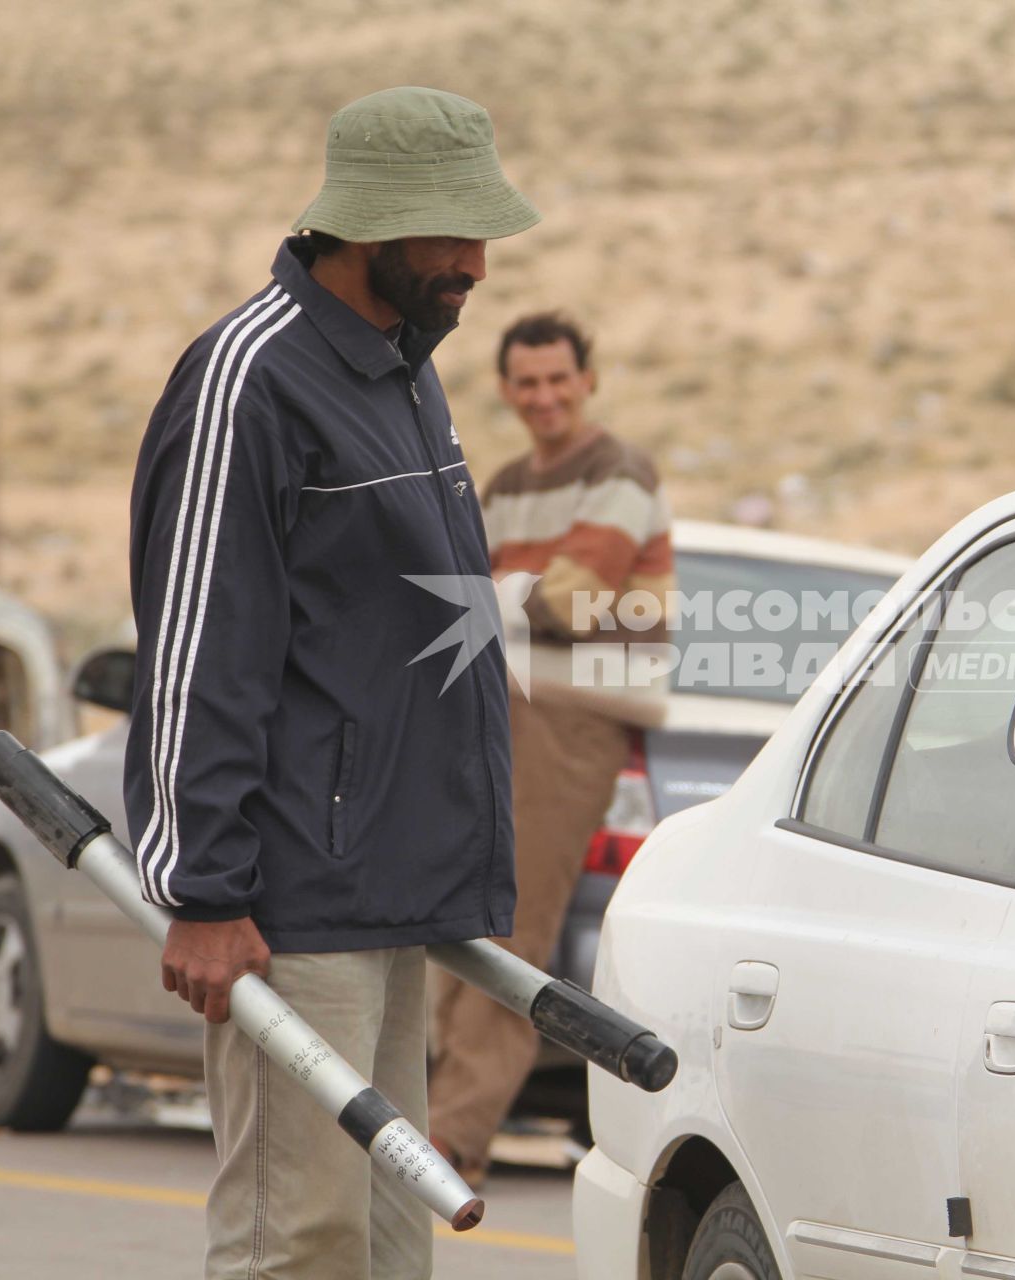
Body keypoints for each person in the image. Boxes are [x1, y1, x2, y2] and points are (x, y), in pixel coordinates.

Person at [123, 87, 537, 1280]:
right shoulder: (247, 380)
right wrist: (204, 887)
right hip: (288, 900)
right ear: (367, 229)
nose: (475, 263)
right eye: (452, 236)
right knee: (296, 1242)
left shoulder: (407, 373)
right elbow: (204, 644)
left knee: (385, 1240)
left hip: (395, 893)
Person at [427, 311, 673, 1184]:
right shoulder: (501, 484)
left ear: (588, 380)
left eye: (558, 379)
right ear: (506, 391)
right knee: (455, 909)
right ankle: (430, 1120)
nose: (544, 397)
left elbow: (567, 597)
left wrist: (477, 597)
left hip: (570, 716)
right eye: (527, 383)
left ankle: (454, 1135)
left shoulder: (619, 471)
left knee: (514, 920)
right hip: (494, 703)